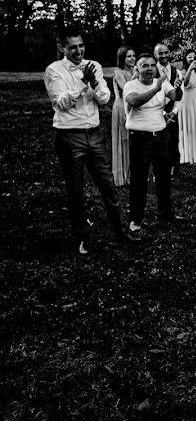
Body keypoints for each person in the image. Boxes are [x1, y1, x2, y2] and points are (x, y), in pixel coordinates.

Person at [44, 27, 135, 255]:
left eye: (81, 45)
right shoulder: (54, 70)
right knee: (75, 190)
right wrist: (83, 82)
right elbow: (62, 102)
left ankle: (119, 232)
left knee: (108, 186)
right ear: (61, 48)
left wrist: (94, 82)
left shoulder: (93, 65)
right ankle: (82, 237)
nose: (78, 50)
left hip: (94, 135)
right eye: (73, 47)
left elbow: (104, 99)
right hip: (69, 136)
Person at [124, 52, 183, 237]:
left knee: (163, 177)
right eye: (144, 65)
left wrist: (178, 88)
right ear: (137, 69)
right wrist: (156, 89)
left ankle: (164, 215)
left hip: (161, 136)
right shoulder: (131, 85)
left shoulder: (162, 83)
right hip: (140, 138)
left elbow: (176, 96)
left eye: (151, 65)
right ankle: (136, 219)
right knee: (139, 180)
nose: (149, 69)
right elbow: (135, 101)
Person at [153, 43, 183, 176]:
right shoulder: (152, 71)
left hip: (173, 112)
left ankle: (175, 168)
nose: (164, 56)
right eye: (160, 53)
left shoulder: (176, 71)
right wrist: (163, 113)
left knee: (174, 140)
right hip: (157, 112)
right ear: (155, 55)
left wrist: (174, 112)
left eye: (165, 52)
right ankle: (160, 170)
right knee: (159, 143)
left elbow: (180, 96)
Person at [177, 50, 196, 164]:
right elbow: (184, 84)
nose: (192, 59)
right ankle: (188, 156)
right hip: (187, 99)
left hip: (195, 99)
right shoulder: (184, 71)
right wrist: (190, 68)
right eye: (189, 57)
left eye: (194, 57)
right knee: (188, 126)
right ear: (185, 59)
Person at [111, 46, 136, 187]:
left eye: (133, 56)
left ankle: (134, 174)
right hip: (122, 107)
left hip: (135, 108)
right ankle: (122, 176)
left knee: (134, 140)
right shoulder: (118, 72)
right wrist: (136, 75)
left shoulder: (134, 71)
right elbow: (127, 88)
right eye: (129, 56)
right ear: (122, 58)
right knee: (124, 138)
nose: (132, 59)